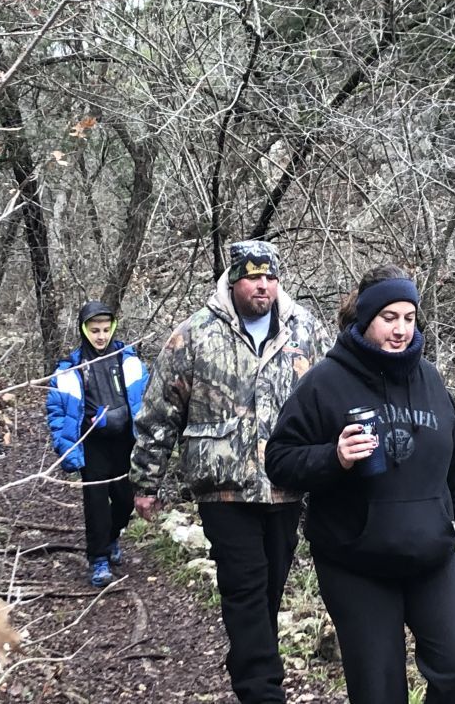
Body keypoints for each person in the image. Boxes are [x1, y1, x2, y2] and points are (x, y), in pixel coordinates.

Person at [265, 264, 455, 704]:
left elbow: (454, 463)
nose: (401, 329)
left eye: (409, 317)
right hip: (355, 562)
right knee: (379, 693)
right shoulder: (325, 383)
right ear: (365, 318)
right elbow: (279, 460)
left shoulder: (431, 379)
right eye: (389, 317)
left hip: (431, 554)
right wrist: (334, 457)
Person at [131, 240, 330, 704]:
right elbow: (161, 411)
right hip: (223, 488)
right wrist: (146, 481)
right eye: (252, 277)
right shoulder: (194, 334)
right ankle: (263, 691)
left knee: (267, 592)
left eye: (269, 277)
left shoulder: (306, 331)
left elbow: (331, 400)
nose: (262, 285)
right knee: (243, 588)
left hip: (286, 486)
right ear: (233, 280)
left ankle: (249, 664)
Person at [47, 300, 148, 588]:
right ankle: (99, 559)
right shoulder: (70, 367)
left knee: (126, 499)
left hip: (125, 441)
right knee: (95, 503)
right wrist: (66, 441)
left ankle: (113, 535)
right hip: (91, 443)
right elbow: (57, 410)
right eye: (94, 330)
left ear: (113, 328)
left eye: (105, 329)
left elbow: (146, 397)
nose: (101, 336)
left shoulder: (128, 360)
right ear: (84, 330)